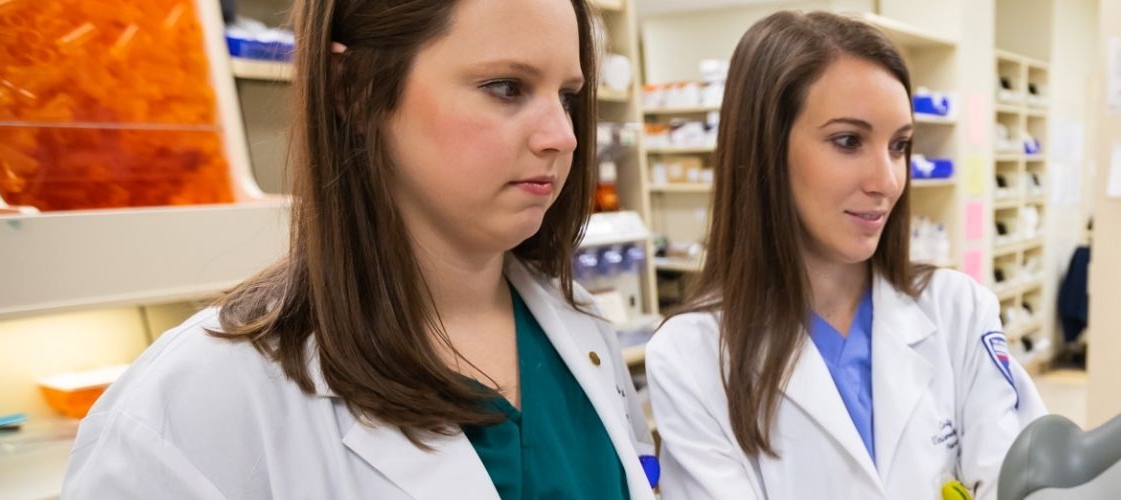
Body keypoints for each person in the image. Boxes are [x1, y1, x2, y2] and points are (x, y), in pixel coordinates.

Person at [62, 0, 657, 497]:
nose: (563, 137)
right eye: (506, 87)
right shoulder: (198, 399)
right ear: (355, 87)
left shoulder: (581, 330)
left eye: (569, 96)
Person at [644, 11, 1046, 500]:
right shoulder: (693, 355)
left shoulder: (958, 310)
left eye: (898, 145)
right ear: (766, 148)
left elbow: (1022, 484)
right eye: (848, 141)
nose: (887, 180)